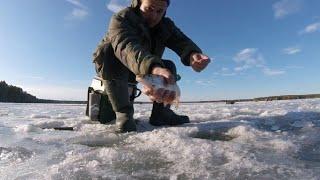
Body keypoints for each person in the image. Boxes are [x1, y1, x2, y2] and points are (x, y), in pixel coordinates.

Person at [92, 0, 210, 133]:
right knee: (109, 51)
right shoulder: (121, 18)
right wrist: (153, 68)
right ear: (138, 4)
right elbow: (126, 47)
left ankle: (162, 113)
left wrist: (193, 55)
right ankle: (123, 114)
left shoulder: (165, 25)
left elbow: (181, 41)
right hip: (115, 69)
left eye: (160, 11)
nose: (154, 16)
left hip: (145, 68)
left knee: (168, 65)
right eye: (149, 9)